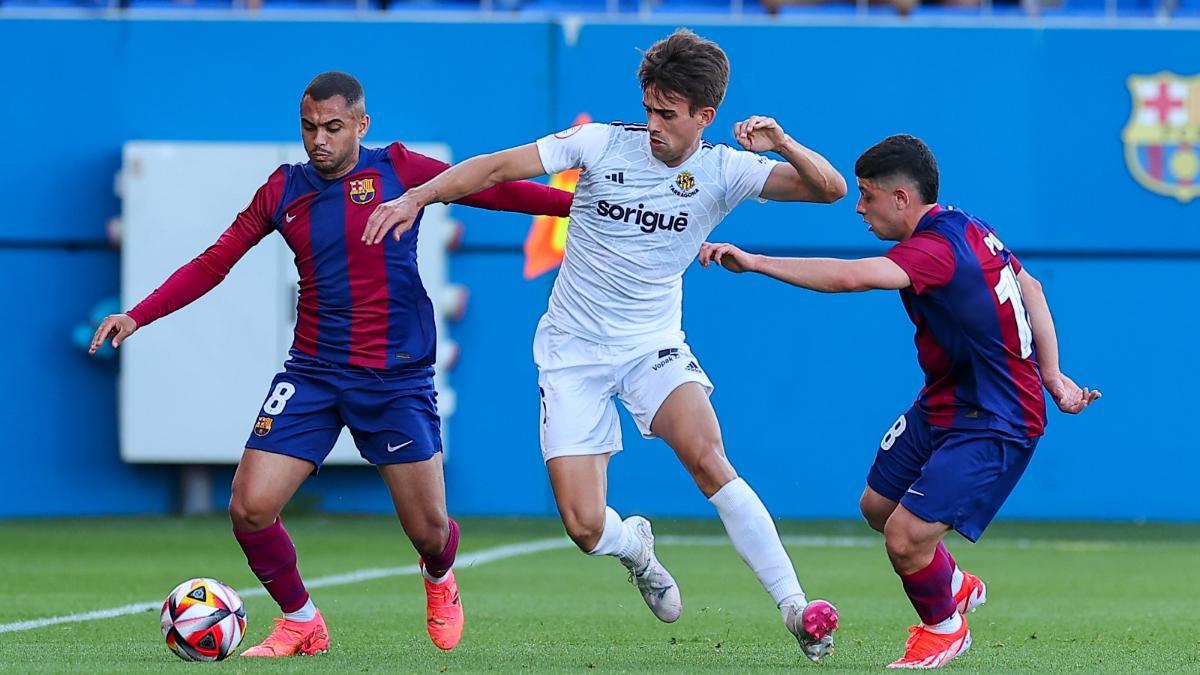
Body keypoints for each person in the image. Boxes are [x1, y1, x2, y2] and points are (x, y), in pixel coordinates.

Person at [359, 29, 847, 662]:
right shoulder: (599, 143)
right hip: (573, 353)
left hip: (653, 346)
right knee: (586, 527)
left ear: (706, 116)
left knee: (707, 454)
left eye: (667, 115)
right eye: (648, 109)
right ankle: (635, 548)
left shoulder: (726, 168)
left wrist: (781, 142)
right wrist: (418, 196)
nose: (653, 126)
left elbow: (830, 188)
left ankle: (795, 606)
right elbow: (501, 167)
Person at [89, 71, 573, 658]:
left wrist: (580, 208)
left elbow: (496, 191)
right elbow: (215, 262)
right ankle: (301, 622)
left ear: (361, 126)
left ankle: (441, 575)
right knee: (249, 506)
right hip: (314, 371)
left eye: (333, 128)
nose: (319, 140)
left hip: (397, 378)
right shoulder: (283, 190)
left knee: (428, 531)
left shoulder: (399, 169)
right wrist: (137, 315)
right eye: (309, 127)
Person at [699, 133, 1100, 669]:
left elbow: (849, 276)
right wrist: (1053, 373)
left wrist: (755, 261)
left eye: (866, 195)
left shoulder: (936, 249)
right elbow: (1031, 288)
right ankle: (952, 583)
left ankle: (944, 628)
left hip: (997, 417)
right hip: (948, 401)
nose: (858, 207)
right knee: (877, 507)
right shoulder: (966, 225)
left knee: (906, 538)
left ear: (902, 198)